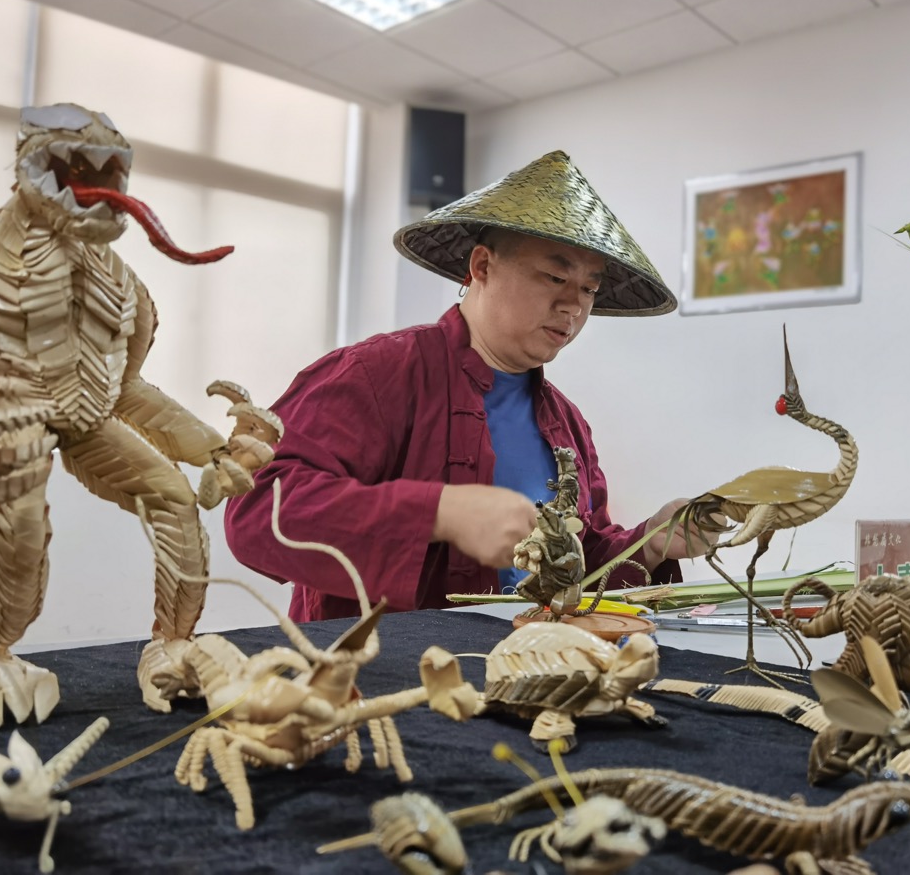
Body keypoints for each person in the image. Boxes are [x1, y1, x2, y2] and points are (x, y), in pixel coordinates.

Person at [224, 150, 699, 621]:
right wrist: (438, 512)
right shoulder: (375, 373)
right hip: (378, 664)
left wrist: (649, 544)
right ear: (482, 266)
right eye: (556, 276)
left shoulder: (566, 422)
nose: (573, 306)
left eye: (589, 289)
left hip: (530, 661)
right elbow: (257, 510)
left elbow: (578, 565)